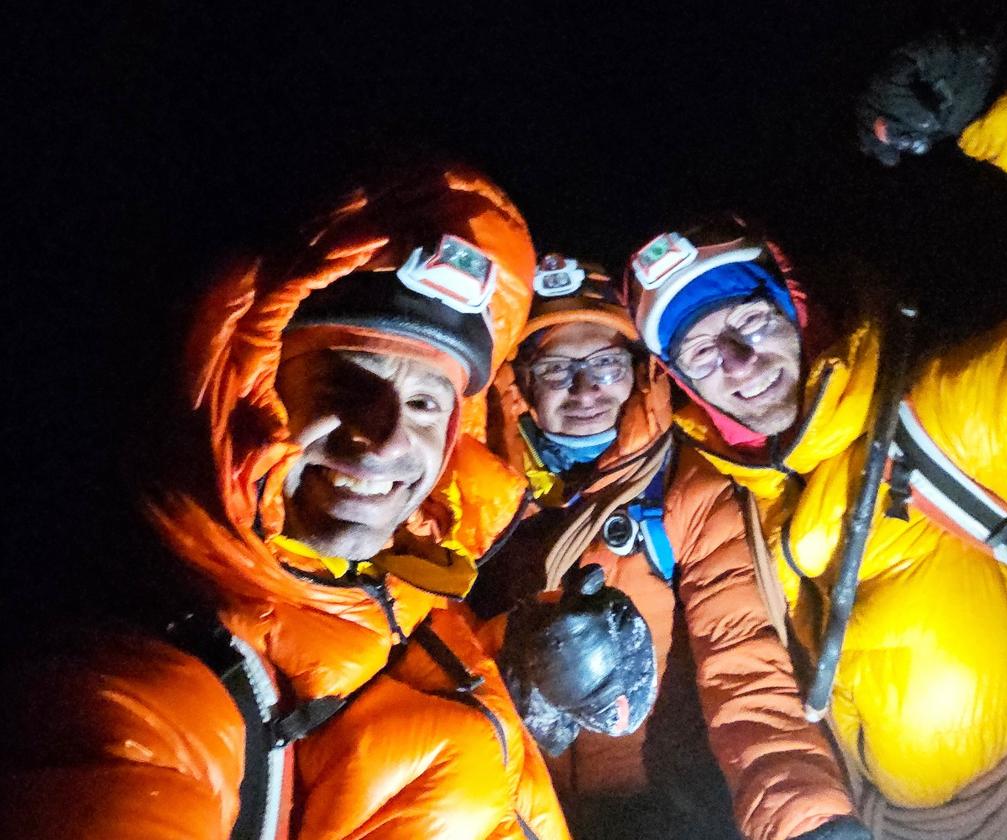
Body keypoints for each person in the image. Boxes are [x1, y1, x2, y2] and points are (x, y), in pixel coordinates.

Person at [625, 34, 1007, 838]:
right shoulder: (747, 504)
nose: (738, 361)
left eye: (751, 319)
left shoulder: (957, 421)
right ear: (684, 383)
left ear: (800, 313)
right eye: (698, 349)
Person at [0, 161, 598, 839]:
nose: (386, 437)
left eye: (427, 401)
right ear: (252, 391)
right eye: (345, 381)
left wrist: (515, 655)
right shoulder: (135, 694)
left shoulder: (404, 592)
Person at [471, 255, 869, 840]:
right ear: (521, 380)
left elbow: (743, 666)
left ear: (639, 372)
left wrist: (808, 822)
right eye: (557, 370)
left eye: (606, 364)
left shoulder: (688, 489)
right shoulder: (478, 496)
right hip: (509, 804)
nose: (585, 389)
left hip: (654, 807)